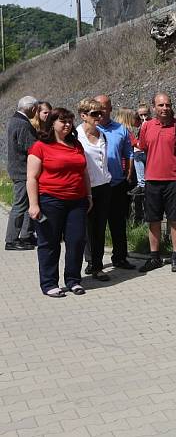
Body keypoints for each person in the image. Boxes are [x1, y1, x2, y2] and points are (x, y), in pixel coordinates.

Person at [27, 108, 92, 297]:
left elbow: (84, 172)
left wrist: (88, 196)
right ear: (52, 123)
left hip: (77, 201)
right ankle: (49, 283)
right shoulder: (40, 146)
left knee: (77, 240)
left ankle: (73, 280)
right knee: (49, 242)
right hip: (50, 200)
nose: (67, 124)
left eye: (69, 121)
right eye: (62, 121)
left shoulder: (76, 144)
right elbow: (32, 177)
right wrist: (34, 204)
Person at [137, 92, 176, 273]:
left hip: (174, 179)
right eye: (161, 105)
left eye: (167, 105)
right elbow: (142, 148)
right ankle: (154, 257)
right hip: (152, 180)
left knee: (175, 220)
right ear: (153, 107)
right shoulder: (146, 127)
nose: (165, 108)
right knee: (153, 220)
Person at [94, 95, 136, 270]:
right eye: (98, 108)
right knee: (95, 226)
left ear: (111, 109)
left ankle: (120, 257)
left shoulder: (121, 130)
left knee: (118, 224)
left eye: (105, 107)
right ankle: (93, 262)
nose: (102, 111)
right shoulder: (86, 130)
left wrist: (128, 175)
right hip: (95, 185)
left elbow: (129, 154)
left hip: (117, 183)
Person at [76, 98, 114, 282]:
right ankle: (88, 261)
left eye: (101, 112)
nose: (99, 116)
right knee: (84, 228)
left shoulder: (102, 135)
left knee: (99, 228)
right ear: (83, 116)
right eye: (94, 114)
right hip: (85, 188)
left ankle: (97, 266)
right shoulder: (76, 137)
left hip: (104, 187)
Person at [5, 96, 39, 250]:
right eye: (36, 109)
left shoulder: (15, 120)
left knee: (25, 204)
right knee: (20, 205)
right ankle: (11, 240)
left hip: (19, 169)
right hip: (22, 170)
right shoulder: (23, 124)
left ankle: (25, 236)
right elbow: (30, 147)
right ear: (32, 108)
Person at [131, 102, 152, 195]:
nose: (144, 117)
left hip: (148, 151)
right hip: (139, 151)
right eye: (141, 115)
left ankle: (144, 184)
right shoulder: (138, 125)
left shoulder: (152, 123)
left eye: (145, 114)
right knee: (137, 157)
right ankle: (141, 184)